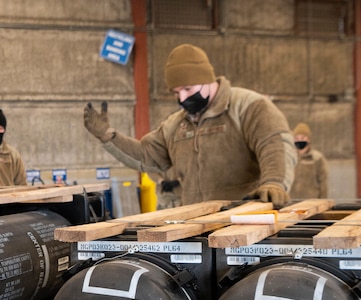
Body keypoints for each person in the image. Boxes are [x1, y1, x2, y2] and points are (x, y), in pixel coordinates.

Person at [83, 43, 296, 206]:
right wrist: (108, 136)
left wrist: (274, 182)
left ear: (208, 79)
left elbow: (274, 144)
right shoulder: (175, 124)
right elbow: (147, 157)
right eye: (176, 92)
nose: (183, 98)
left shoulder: (249, 107)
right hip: (196, 223)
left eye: (188, 89)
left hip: (244, 220)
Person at [289, 122, 329, 199]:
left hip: (312, 203)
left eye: (303, 138)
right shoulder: (289, 158)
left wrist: (323, 201)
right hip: (291, 203)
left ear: (309, 139)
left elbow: (323, 184)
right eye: (297, 138)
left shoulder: (317, 158)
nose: (300, 141)